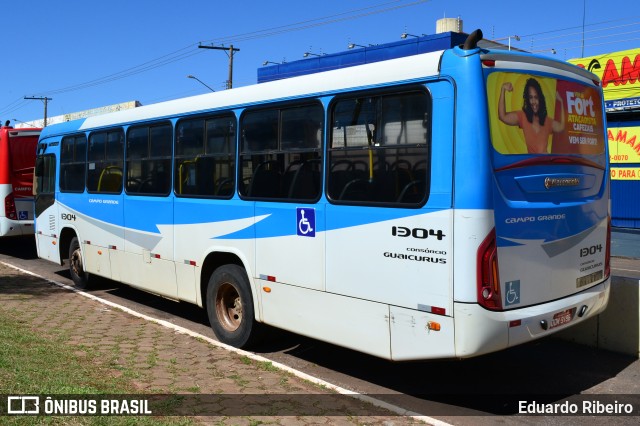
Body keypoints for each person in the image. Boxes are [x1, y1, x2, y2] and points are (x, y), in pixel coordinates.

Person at [498, 78, 565, 153]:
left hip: (545, 163)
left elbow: (561, 127)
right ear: (527, 99)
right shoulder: (523, 116)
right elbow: (502, 116)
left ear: (540, 99)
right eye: (531, 97)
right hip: (532, 163)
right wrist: (503, 89)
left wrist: (561, 102)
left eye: (536, 97)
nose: (533, 102)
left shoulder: (547, 121)